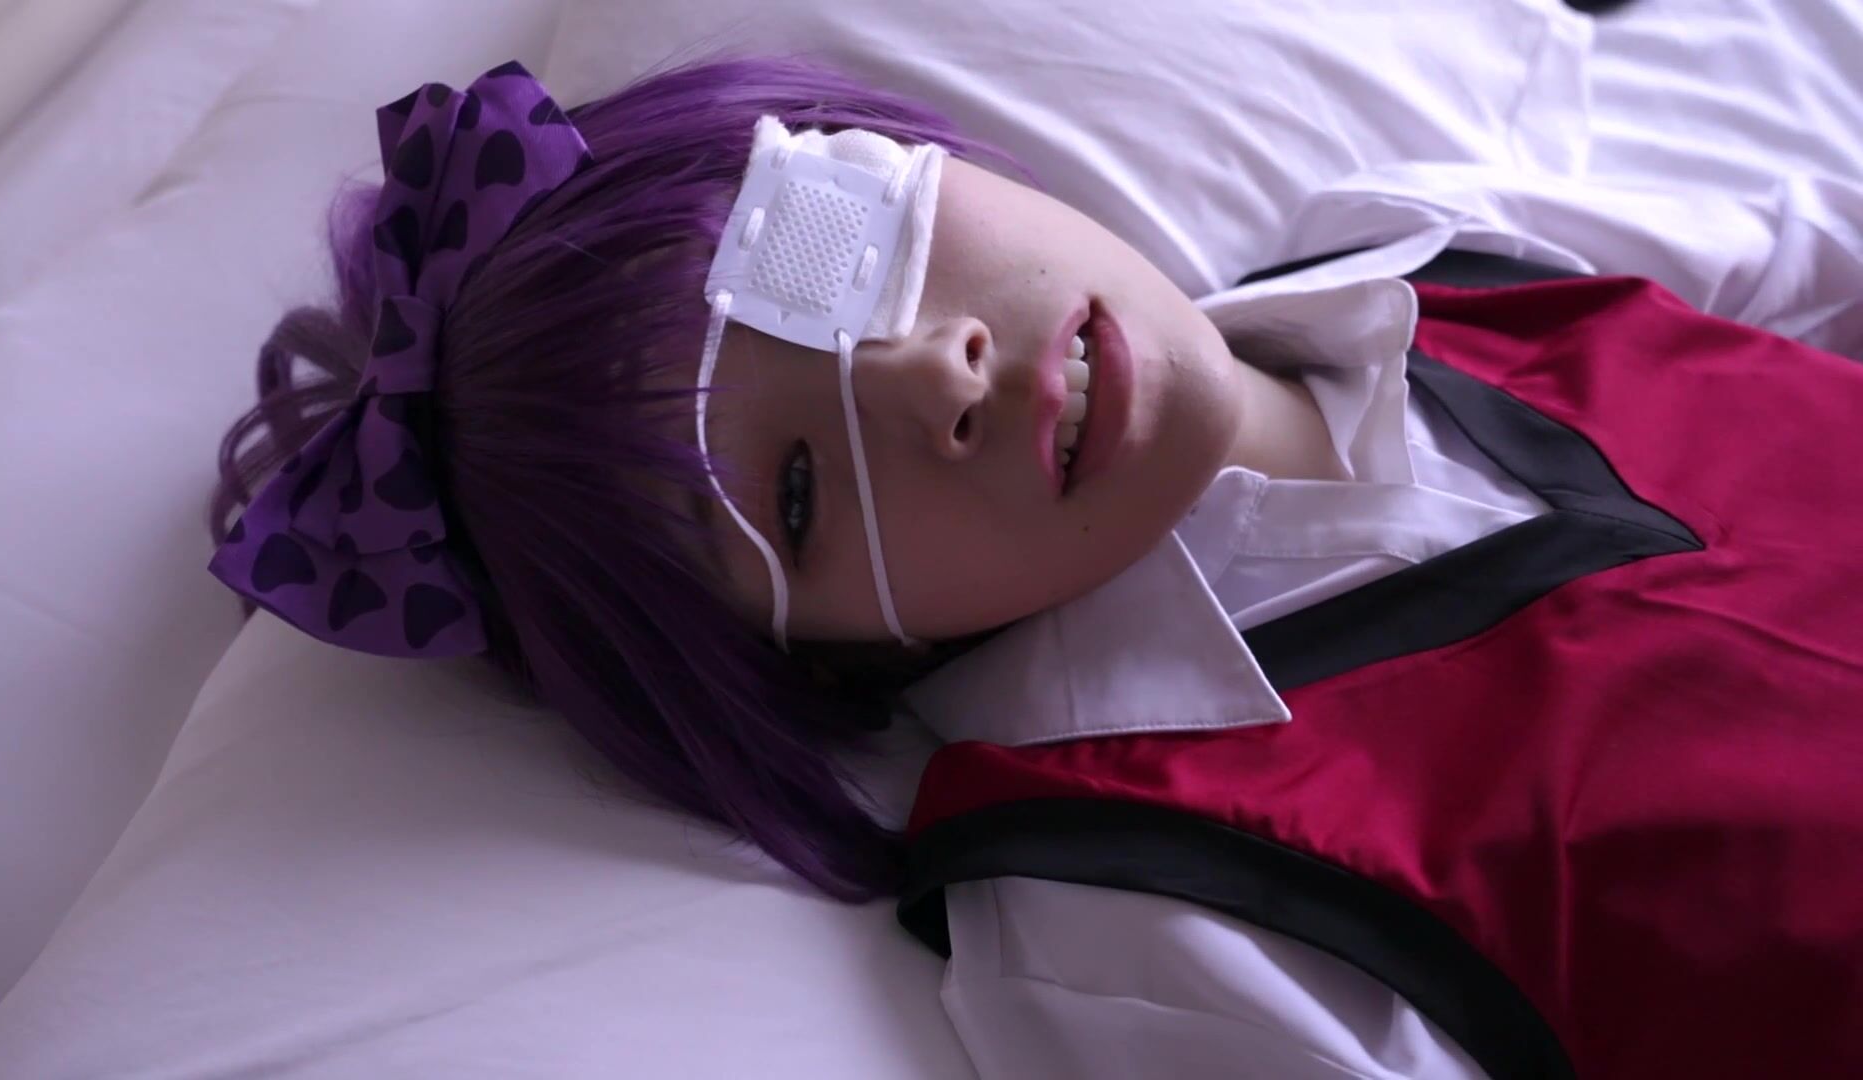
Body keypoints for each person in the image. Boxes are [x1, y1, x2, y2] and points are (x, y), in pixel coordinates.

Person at [207, 55, 1863, 1079]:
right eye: (798, 493)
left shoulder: (1446, 249)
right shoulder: (1141, 917)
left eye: (830, 252)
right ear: (829, 656)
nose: (932, 372)